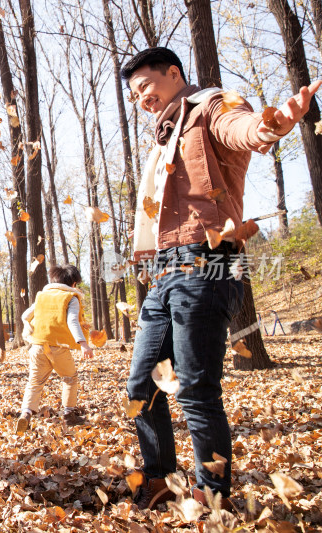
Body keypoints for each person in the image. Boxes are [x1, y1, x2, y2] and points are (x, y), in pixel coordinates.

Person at [121, 47, 320, 510]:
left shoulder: (212, 105)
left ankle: (212, 496)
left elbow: (244, 130)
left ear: (174, 74)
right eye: (133, 95)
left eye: (146, 86)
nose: (141, 99)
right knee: (141, 386)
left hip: (208, 261)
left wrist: (275, 123)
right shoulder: (162, 136)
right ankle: (159, 481)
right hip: (164, 268)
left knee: (193, 386)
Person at [15, 265, 93, 433]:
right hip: (58, 347)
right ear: (73, 283)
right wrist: (84, 344)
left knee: (35, 382)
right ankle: (68, 414)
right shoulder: (70, 297)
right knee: (70, 377)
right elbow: (72, 321)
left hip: (38, 346)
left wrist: (30, 330)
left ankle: (25, 414)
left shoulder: (43, 296)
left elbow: (24, 316)